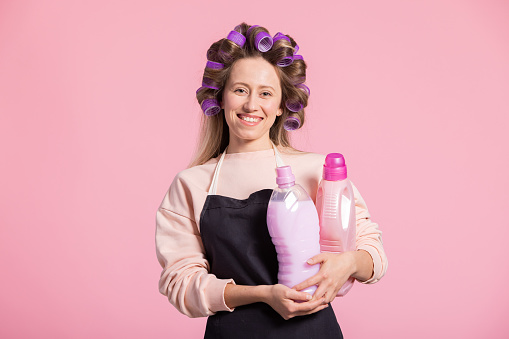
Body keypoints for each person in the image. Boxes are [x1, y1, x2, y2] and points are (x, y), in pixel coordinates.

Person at [155, 23, 388, 338]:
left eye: (265, 93)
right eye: (240, 90)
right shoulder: (191, 183)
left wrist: (345, 264)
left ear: (281, 105)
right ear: (221, 97)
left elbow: (373, 253)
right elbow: (182, 285)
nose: (252, 105)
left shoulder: (316, 170)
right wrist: (263, 294)